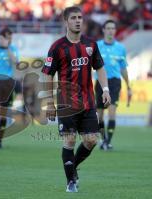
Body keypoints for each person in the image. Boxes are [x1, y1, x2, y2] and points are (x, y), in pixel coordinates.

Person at [41, 6, 111, 193]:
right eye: (73, 18)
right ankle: (70, 181)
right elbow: (47, 75)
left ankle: (72, 168)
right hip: (66, 102)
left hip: (88, 101)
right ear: (66, 21)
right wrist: (49, 102)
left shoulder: (91, 44)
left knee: (91, 141)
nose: (78, 20)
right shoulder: (57, 47)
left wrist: (105, 89)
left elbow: (100, 68)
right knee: (70, 141)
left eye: (80, 17)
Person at [95, 19, 132, 150]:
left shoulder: (120, 48)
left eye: (113, 28)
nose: (111, 31)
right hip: (100, 82)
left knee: (112, 112)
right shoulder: (97, 46)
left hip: (115, 82)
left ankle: (108, 142)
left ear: (115, 31)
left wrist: (128, 86)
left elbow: (123, 69)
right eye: (108, 28)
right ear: (103, 30)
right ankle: (103, 139)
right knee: (99, 114)